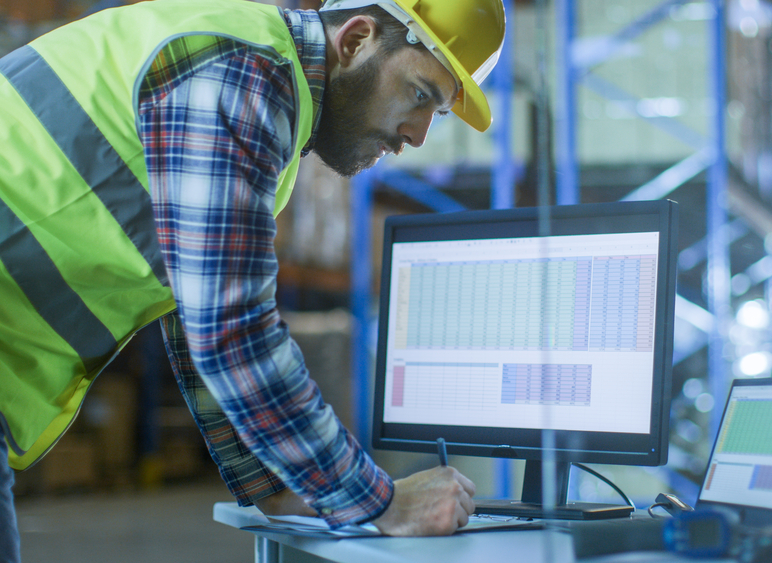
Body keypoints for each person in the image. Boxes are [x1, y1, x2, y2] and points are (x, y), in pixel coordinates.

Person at [0, 0, 505, 558]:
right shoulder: (243, 71)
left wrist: (277, 487)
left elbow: (193, 318)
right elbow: (229, 331)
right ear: (357, 39)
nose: (417, 135)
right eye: (418, 95)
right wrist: (378, 500)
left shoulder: (254, 80)